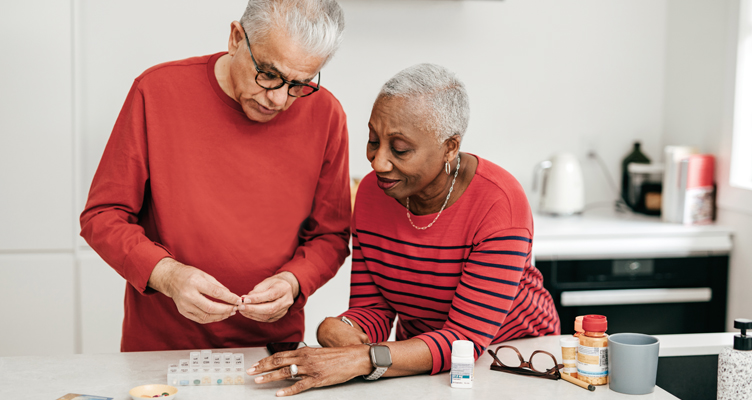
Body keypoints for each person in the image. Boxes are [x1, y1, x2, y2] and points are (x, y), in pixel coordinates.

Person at [249, 63, 560, 396]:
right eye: (373, 140)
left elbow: (464, 341)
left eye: (400, 150)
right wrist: (340, 328)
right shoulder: (372, 194)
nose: (378, 162)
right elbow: (376, 309)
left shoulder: (499, 205)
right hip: (423, 364)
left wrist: (362, 359)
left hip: (521, 361)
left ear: (450, 147)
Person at [79, 0, 350, 352]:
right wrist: (167, 275)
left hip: (273, 348)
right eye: (268, 74)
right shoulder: (157, 91)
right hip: (163, 347)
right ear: (236, 38)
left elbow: (331, 235)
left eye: (299, 84)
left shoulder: (326, 114)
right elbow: (102, 217)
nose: (279, 99)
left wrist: (295, 281)